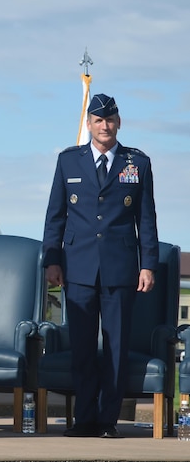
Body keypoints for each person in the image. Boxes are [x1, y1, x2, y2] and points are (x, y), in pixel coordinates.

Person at [42, 93, 159, 438]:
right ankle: (84, 419)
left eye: (109, 120)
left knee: (116, 346)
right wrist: (52, 260)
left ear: (118, 123)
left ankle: (107, 420)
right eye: (97, 120)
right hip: (77, 267)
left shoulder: (136, 163)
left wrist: (148, 264)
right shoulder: (68, 162)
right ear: (88, 124)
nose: (104, 126)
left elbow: (147, 219)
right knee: (80, 346)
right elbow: (55, 216)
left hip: (120, 267)